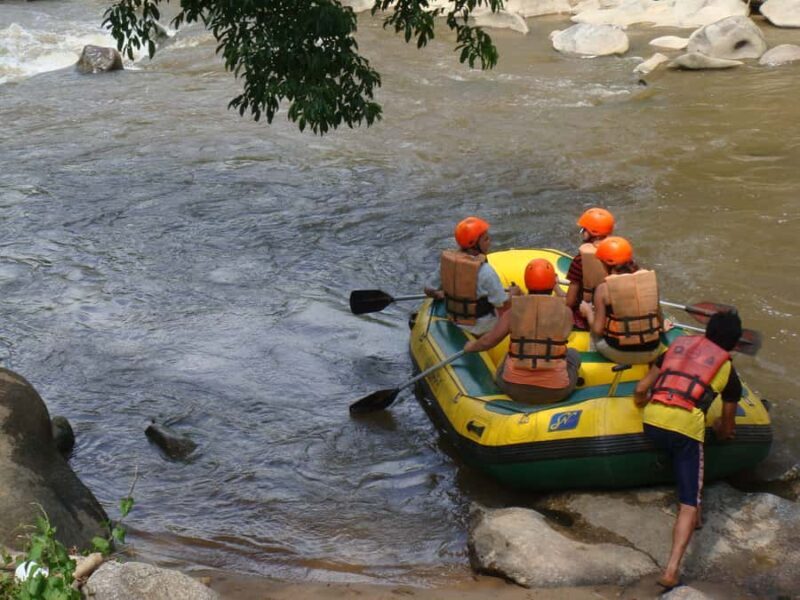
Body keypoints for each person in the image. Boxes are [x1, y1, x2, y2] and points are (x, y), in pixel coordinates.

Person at [633, 311, 743, 590]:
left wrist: (643, 406)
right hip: (683, 430)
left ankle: (695, 504)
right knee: (688, 503)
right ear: (734, 343)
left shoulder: (677, 346)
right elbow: (726, 427)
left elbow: (641, 389)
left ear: (707, 331)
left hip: (651, 422)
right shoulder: (728, 370)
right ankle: (671, 570)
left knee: (680, 446)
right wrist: (720, 426)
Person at [464, 259, 581, 404]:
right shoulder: (566, 313)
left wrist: (471, 347)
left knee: (509, 355)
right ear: (552, 283)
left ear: (527, 283)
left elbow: (488, 341)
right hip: (556, 391)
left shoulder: (513, 312)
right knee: (573, 354)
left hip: (513, 388)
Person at [425, 216, 517, 336]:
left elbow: (428, 288)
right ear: (474, 245)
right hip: (482, 326)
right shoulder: (485, 271)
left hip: (455, 320)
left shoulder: (447, 264)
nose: (490, 242)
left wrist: (439, 294)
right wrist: (514, 293)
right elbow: (502, 304)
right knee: (520, 308)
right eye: (486, 239)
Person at [580, 236, 662, 364]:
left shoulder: (603, 288)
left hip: (619, 352)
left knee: (594, 333)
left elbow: (597, 329)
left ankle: (596, 363)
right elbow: (659, 318)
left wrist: (588, 312)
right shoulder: (651, 281)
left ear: (606, 263)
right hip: (653, 350)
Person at [566, 208, 615, 329]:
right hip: (615, 314)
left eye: (583, 229)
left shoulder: (579, 261)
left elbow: (570, 302)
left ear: (589, 232)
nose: (582, 232)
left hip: (589, 316)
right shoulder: (621, 255)